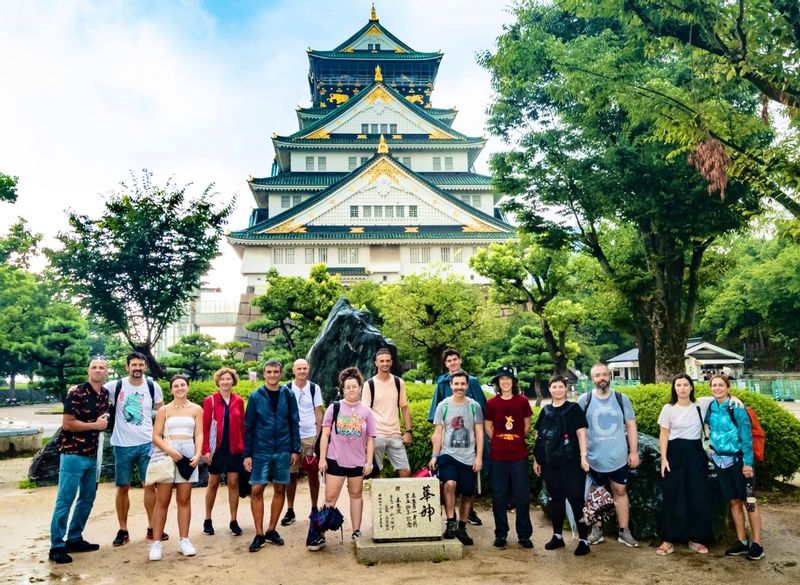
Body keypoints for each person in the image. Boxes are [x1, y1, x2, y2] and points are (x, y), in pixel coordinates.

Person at [48, 357, 110, 564]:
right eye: (94, 367)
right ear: (88, 371)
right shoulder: (76, 393)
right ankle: (56, 545)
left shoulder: (105, 394)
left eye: (102, 367)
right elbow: (68, 424)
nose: (98, 370)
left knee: (87, 499)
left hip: (93, 455)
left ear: (107, 372)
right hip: (73, 454)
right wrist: (95, 426)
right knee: (65, 500)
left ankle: (74, 538)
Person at [105, 351, 165, 546]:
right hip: (122, 445)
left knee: (150, 485)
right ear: (127, 367)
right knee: (123, 487)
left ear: (145, 366)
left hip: (147, 444)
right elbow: (94, 389)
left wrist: (160, 438)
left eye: (140, 365)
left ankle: (152, 526)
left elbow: (162, 411)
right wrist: (75, 389)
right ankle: (123, 530)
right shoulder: (116, 386)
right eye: (134, 365)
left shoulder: (152, 386)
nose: (137, 368)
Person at [576, 363, 640, 547]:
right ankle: (597, 529)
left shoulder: (621, 398)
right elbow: (579, 430)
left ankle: (624, 530)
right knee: (595, 493)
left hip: (618, 456)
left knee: (620, 491)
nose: (601, 378)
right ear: (592, 378)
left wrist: (633, 451)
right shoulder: (584, 399)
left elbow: (631, 425)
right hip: (593, 457)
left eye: (604, 374)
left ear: (609, 376)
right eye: (597, 375)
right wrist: (582, 455)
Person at [315, 367, 376, 547]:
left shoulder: (367, 412)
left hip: (358, 461)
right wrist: (322, 459)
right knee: (330, 498)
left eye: (354, 387)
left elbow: (371, 439)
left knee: (356, 494)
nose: (351, 390)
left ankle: (356, 530)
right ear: (343, 389)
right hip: (335, 459)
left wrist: (369, 461)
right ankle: (320, 532)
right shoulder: (334, 408)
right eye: (347, 387)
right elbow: (325, 436)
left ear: (360, 388)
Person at [244, 360, 300, 553]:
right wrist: (247, 454)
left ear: (281, 373)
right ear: (264, 374)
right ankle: (259, 533)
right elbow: (249, 426)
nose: (273, 375)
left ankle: (271, 529)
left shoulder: (288, 394)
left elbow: (294, 422)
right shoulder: (255, 396)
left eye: (276, 371)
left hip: (284, 448)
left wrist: (295, 449)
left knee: (280, 488)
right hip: (261, 449)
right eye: (269, 372)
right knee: (257, 489)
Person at [706, 373, 765, 560]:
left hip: (739, 460)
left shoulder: (737, 408)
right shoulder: (710, 407)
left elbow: (746, 437)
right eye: (714, 385)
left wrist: (748, 463)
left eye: (720, 385)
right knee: (733, 501)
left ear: (728, 387)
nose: (717, 388)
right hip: (720, 460)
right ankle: (741, 540)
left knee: (749, 501)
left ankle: (757, 543)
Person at [427, 348, 486, 526]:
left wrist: (479, 454)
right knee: (450, 483)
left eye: (455, 359)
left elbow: (480, 419)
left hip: (468, 445)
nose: (452, 363)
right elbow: (436, 421)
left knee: (468, 488)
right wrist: (434, 452)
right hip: (448, 444)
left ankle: (467, 515)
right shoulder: (442, 384)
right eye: (449, 360)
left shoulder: (473, 385)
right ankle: (451, 521)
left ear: (460, 360)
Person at [534, 374, 591, 556]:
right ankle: (557, 536)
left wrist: (583, 457)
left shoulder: (574, 409)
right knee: (556, 500)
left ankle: (583, 540)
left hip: (571, 462)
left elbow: (582, 434)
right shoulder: (545, 410)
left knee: (576, 500)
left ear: (566, 389)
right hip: (551, 463)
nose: (557, 390)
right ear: (549, 389)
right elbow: (539, 436)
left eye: (560, 386)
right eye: (554, 386)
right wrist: (537, 459)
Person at [655, 374, 713, 556]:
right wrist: (664, 458)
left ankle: (696, 539)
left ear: (691, 387)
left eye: (685, 384)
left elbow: (722, 394)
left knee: (697, 496)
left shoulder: (701, 404)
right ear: (674, 388)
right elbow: (664, 434)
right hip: (674, 453)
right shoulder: (668, 408)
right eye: (678, 385)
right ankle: (668, 539)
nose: (682, 388)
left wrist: (735, 399)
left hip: (695, 453)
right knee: (673, 495)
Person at [148, 375, 203, 560]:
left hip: (188, 455)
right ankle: (156, 543)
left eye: (183, 385)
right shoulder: (164, 410)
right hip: (167, 454)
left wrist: (198, 453)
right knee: (162, 501)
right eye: (176, 386)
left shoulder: (196, 409)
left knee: (184, 499)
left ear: (188, 387)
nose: (180, 388)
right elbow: (155, 436)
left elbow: (200, 433)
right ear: (171, 390)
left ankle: (184, 540)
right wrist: (170, 451)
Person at [484, 365, 533, 549]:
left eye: (508, 379)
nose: (505, 382)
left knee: (522, 496)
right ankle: (500, 534)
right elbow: (488, 426)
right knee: (499, 495)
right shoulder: (491, 403)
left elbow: (527, 424)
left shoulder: (522, 401)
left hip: (518, 454)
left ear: (513, 382)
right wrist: (498, 440)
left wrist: (517, 438)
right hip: (498, 455)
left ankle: (524, 534)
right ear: (497, 383)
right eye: (501, 379)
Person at [202, 367, 246, 536]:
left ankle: (233, 520)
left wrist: (245, 449)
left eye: (229, 379)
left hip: (234, 448)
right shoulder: (210, 401)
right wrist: (206, 449)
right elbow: (205, 427)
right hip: (217, 448)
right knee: (213, 483)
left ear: (233, 381)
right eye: (222, 379)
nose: (226, 382)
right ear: (218, 381)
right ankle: (208, 519)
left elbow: (242, 426)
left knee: (233, 483)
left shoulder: (239, 401)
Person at [280, 358, 323, 528]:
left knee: (313, 473)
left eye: (305, 368)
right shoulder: (286, 388)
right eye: (299, 368)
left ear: (308, 369)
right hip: (292, 437)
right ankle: (290, 509)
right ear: (293, 370)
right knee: (291, 473)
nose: (302, 371)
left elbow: (318, 413)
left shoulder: (314, 388)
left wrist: (318, 437)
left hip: (310, 435)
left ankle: (314, 508)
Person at [361, 348, 412, 478]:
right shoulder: (369, 384)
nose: (385, 363)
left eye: (387, 361)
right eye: (381, 361)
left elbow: (404, 407)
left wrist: (408, 432)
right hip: (376, 435)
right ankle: (378, 498)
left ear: (391, 362)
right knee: (376, 473)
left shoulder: (398, 382)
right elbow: (364, 413)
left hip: (395, 434)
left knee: (405, 470)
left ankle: (398, 497)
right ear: (376, 363)